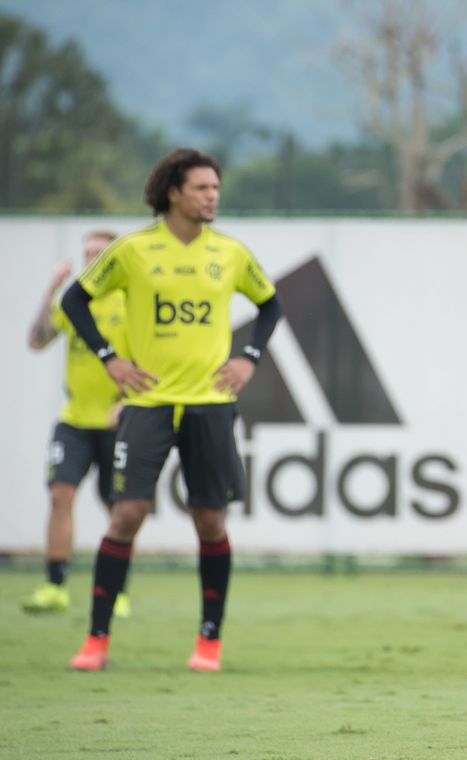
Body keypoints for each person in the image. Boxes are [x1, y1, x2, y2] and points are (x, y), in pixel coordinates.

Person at [61, 147, 282, 672]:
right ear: (173, 192)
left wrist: (249, 357)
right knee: (127, 514)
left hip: (209, 405)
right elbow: (75, 301)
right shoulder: (134, 251)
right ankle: (96, 640)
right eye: (203, 188)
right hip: (148, 404)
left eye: (216, 188)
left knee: (209, 519)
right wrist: (110, 357)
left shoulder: (229, 252)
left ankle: (209, 642)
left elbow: (270, 303)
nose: (213, 197)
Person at [22, 231, 131, 619]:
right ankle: (55, 585)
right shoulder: (73, 302)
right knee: (59, 496)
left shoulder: (130, 302)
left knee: (120, 508)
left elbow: (152, 359)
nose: (91, 259)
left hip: (117, 420)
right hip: (75, 421)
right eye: (87, 253)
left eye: (99, 254)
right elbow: (37, 341)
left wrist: (127, 404)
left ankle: (115, 589)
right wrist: (52, 286)